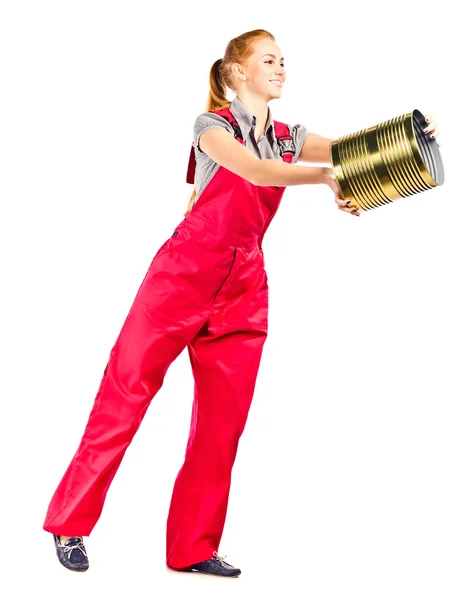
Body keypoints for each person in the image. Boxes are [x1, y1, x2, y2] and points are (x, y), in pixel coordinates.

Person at [43, 28, 441, 577]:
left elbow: (351, 148)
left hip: (243, 288)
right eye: (269, 60)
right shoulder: (211, 128)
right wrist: (324, 179)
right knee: (124, 400)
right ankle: (69, 523)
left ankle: (193, 548)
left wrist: (412, 132)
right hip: (180, 279)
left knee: (221, 426)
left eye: (284, 61)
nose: (281, 68)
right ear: (236, 73)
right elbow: (254, 170)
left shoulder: (287, 136)